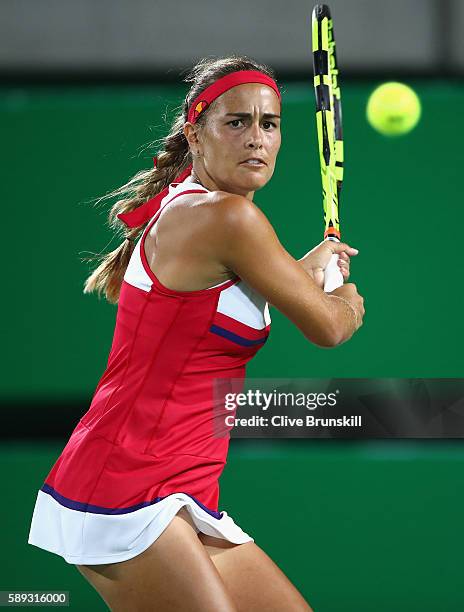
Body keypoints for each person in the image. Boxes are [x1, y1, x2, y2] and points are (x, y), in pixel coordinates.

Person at [28, 55, 364, 611]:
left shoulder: (200, 214)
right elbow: (329, 326)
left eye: (269, 123)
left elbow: (215, 311)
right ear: (196, 134)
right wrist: (343, 302)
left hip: (182, 487)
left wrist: (306, 272)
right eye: (236, 122)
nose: (256, 137)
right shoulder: (227, 218)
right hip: (126, 486)